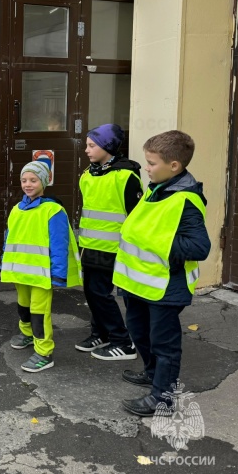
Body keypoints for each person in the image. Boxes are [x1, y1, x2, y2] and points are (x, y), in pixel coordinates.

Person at [115, 130, 211, 416]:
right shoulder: (157, 187)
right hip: (139, 283)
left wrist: (154, 238)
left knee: (164, 343)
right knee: (139, 332)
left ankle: (163, 398)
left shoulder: (186, 200)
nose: (146, 168)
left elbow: (199, 247)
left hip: (166, 287)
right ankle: (153, 373)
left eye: (151, 163)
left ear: (174, 166)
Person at [1, 160, 81, 372]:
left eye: (33, 180)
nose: (27, 184)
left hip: (42, 275)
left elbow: (59, 244)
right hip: (20, 272)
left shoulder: (53, 211)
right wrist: (5, 263)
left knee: (39, 312)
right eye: (24, 180)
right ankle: (27, 334)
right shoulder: (17, 209)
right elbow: (9, 238)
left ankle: (44, 352)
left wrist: (58, 274)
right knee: (23, 306)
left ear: (44, 182)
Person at [76, 124, 142, 360]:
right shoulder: (88, 174)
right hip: (89, 246)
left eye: (92, 145)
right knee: (91, 293)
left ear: (108, 146)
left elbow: (136, 216)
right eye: (87, 145)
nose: (87, 150)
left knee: (99, 293)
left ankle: (122, 342)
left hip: (112, 248)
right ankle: (100, 333)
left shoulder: (126, 176)